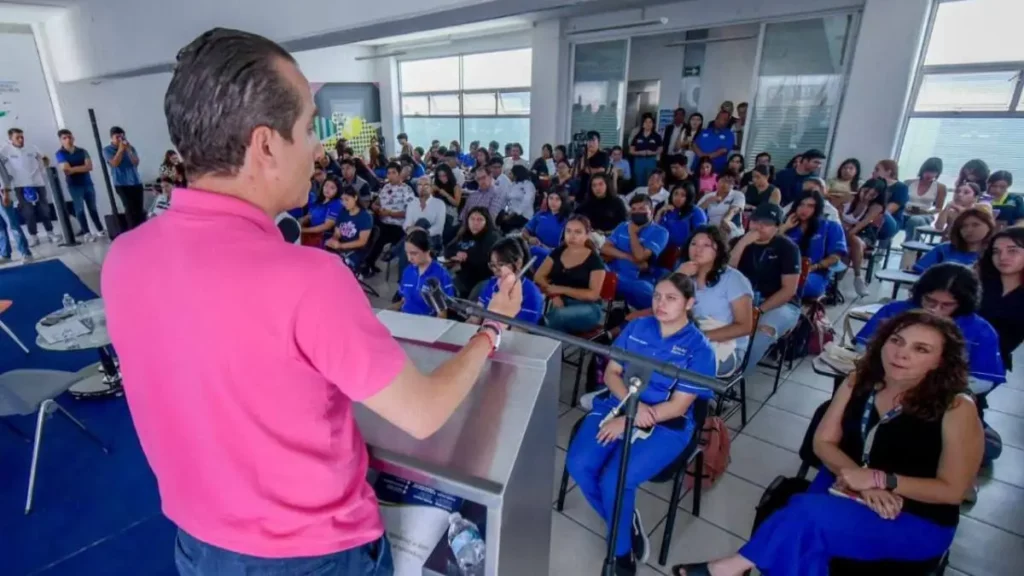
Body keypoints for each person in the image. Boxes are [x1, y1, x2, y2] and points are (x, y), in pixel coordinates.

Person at [101, 28, 524, 575]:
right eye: (308, 128)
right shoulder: (307, 277)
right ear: (266, 144)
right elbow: (422, 413)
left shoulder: (125, 257)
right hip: (309, 555)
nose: (320, 148)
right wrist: (491, 330)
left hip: (199, 545)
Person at [673, 310, 982, 576]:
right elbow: (823, 442)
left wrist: (881, 480)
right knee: (799, 539)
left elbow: (953, 490)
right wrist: (862, 483)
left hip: (913, 513)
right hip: (845, 480)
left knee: (804, 516)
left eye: (921, 349)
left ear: (941, 362)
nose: (901, 354)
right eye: (896, 341)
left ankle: (729, 566)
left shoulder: (956, 407)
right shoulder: (860, 378)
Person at [568, 272, 717, 573]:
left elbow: (678, 406)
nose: (661, 304)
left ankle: (622, 554)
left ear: (689, 303)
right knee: (580, 464)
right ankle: (625, 521)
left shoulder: (700, 349)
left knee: (615, 479)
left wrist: (632, 419)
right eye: (657, 296)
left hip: (666, 422)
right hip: (619, 405)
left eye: (671, 298)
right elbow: (611, 373)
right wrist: (629, 409)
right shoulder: (637, 326)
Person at [856, 263, 1005, 393]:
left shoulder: (981, 331)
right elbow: (862, 346)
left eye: (947, 305)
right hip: (884, 383)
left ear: (964, 303)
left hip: (941, 396)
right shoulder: (894, 311)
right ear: (920, 293)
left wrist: (927, 387)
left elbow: (982, 381)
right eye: (929, 300)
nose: (935, 309)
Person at [729, 203, 801, 377]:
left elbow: (788, 290)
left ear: (777, 227)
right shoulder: (740, 242)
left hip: (780, 304)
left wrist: (759, 310)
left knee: (761, 335)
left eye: (766, 223)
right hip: (743, 300)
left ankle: (733, 380)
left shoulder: (787, 248)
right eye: (755, 221)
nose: (759, 227)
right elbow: (728, 275)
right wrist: (742, 243)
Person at [676, 226, 755, 376]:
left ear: (718, 250)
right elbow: (663, 306)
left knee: (674, 361)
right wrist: (678, 276)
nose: (698, 249)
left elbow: (744, 327)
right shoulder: (684, 273)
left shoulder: (733, 279)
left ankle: (692, 398)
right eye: (694, 244)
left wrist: (698, 338)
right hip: (689, 337)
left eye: (706, 245)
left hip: (725, 346)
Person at [535, 215, 607, 333]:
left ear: (587, 235)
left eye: (578, 232)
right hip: (558, 302)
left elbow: (593, 295)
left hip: (588, 308)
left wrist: (560, 289)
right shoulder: (558, 251)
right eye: (568, 231)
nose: (572, 236)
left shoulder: (595, 260)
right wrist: (555, 295)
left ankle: (534, 340)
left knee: (557, 316)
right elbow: (539, 276)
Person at [601, 194, 670, 310]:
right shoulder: (623, 226)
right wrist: (627, 256)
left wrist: (633, 234)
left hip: (637, 278)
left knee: (645, 291)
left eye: (642, 209)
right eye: (633, 209)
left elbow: (639, 256)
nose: (637, 212)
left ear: (651, 210)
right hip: (612, 271)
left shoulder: (660, 232)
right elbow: (605, 248)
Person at [781, 188, 848, 300]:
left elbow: (835, 257)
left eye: (810, 206)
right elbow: (769, 245)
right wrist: (784, 228)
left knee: (794, 284)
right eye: (801, 205)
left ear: (818, 208)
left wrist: (813, 267)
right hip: (784, 272)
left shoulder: (831, 226)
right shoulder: (789, 226)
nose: (804, 209)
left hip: (815, 274)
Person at [0, 128, 59, 245]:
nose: (21, 139)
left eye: (22, 137)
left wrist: (44, 165)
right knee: (28, 212)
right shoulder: (5, 150)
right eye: (17, 137)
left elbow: (45, 158)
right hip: (19, 185)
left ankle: (50, 233)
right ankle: (33, 236)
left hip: (37, 183)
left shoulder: (32, 147)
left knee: (44, 209)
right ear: (10, 139)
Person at [978, 228, 1024, 373]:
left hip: (991, 363)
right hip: (951, 351)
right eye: (996, 251)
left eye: (1012, 251)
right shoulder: (976, 283)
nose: (1002, 257)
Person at [842, 178, 898, 296]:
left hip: (863, 234)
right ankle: (853, 278)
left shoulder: (876, 207)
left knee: (853, 241)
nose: (867, 196)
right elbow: (836, 216)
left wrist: (847, 234)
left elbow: (860, 226)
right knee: (848, 248)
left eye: (872, 194)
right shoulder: (848, 197)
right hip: (842, 230)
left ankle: (857, 276)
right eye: (865, 191)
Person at [475, 237, 544, 325]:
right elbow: (475, 317)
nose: (496, 270)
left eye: (501, 265)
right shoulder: (492, 283)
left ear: (518, 263)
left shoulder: (531, 295)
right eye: (492, 265)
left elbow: (518, 332)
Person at [55, 129, 105, 241]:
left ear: (73, 137)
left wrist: (73, 168)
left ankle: (100, 230)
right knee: (80, 209)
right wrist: (81, 167)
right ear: (61, 140)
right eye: (64, 138)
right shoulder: (60, 153)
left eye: (69, 137)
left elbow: (89, 167)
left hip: (87, 183)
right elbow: (66, 170)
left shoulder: (82, 151)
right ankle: (86, 233)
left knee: (92, 208)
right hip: (74, 185)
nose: (68, 139)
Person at [898, 158, 948, 269]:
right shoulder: (909, 183)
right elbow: (899, 201)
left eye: (934, 172)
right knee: (892, 217)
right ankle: (880, 252)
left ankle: (909, 252)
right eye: (928, 171)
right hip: (905, 212)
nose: (929, 174)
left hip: (924, 215)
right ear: (922, 170)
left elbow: (939, 208)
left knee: (915, 221)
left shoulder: (940, 187)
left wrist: (925, 211)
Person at [393, 229, 455, 318]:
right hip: (405, 319)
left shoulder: (441, 274)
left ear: (427, 251)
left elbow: (442, 313)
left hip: (426, 322)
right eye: (407, 253)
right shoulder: (408, 271)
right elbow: (404, 300)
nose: (409, 258)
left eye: (414, 253)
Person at [365, 161, 414, 272]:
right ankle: (367, 263)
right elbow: (376, 203)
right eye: (388, 173)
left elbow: (410, 212)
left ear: (399, 173)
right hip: (383, 222)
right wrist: (376, 207)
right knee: (371, 229)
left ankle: (368, 263)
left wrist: (390, 213)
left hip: (398, 226)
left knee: (379, 235)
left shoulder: (406, 190)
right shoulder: (386, 187)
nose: (390, 176)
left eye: (393, 173)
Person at [912, 208, 994, 274]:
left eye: (975, 225)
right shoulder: (944, 249)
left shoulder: (995, 252)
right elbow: (919, 272)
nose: (969, 230)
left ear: (989, 226)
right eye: (964, 226)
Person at [446, 206, 500, 298]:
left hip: (482, 278)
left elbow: (484, 257)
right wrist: (457, 254)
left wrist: (465, 257)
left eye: (480, 220)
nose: (475, 223)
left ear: (486, 222)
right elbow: (448, 249)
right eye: (472, 219)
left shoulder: (492, 236)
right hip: (463, 276)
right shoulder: (464, 234)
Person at [102, 126, 146, 230]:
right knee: (129, 209)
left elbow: (136, 163)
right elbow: (114, 163)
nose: (120, 140)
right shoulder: (107, 150)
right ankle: (132, 232)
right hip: (122, 184)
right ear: (111, 138)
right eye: (117, 137)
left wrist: (129, 150)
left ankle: (142, 231)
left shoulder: (130, 148)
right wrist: (121, 150)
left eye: (122, 137)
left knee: (139, 209)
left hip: (136, 182)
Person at [325, 186, 373, 271]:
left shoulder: (365, 217)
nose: (344, 203)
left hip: (355, 251)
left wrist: (341, 246)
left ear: (355, 198)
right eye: (342, 200)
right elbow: (337, 233)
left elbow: (362, 242)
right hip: (340, 247)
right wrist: (334, 240)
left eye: (347, 200)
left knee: (338, 269)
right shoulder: (343, 212)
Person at [523, 189, 571, 265]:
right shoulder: (540, 214)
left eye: (557, 199)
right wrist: (529, 238)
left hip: (553, 257)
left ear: (563, 201)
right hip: (534, 251)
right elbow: (524, 231)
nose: (553, 202)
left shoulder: (568, 220)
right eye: (551, 198)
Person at [656, 182, 708, 249]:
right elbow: (656, 231)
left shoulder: (696, 211)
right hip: (663, 250)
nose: (678, 198)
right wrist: (659, 212)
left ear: (689, 197)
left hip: (685, 252)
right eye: (676, 194)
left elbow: (701, 235)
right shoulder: (667, 210)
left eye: (683, 195)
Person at [403, 177, 445, 251]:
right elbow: (407, 223)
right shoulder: (412, 203)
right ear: (416, 188)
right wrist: (408, 229)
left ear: (431, 188)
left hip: (433, 238)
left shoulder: (439, 204)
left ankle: (394, 251)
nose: (422, 188)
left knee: (422, 221)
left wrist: (422, 232)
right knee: (414, 243)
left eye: (426, 185)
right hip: (414, 238)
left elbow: (439, 227)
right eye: (419, 185)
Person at [698, 172, 745, 237]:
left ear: (734, 185)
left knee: (728, 226)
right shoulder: (708, 196)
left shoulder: (738, 195)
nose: (725, 184)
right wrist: (708, 201)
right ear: (717, 180)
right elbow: (697, 211)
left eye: (729, 182)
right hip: (712, 230)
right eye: (723, 180)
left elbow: (733, 210)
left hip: (731, 228)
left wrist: (725, 220)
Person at [873, 159, 910, 236]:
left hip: (891, 220)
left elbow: (889, 210)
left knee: (883, 214)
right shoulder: (873, 184)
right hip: (871, 216)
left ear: (888, 172)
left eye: (877, 170)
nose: (873, 172)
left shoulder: (901, 187)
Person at [299, 176, 342, 245]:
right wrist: (299, 222)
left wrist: (303, 230)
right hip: (309, 233)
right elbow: (310, 215)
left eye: (332, 188)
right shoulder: (319, 200)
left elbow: (326, 226)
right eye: (326, 186)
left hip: (323, 238)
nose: (327, 189)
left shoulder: (336, 204)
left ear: (337, 191)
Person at [691, 110, 735, 175]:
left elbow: (723, 150)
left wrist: (706, 158)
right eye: (718, 118)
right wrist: (701, 156)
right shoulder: (705, 131)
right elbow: (694, 144)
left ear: (727, 121)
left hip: (716, 170)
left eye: (723, 119)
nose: (719, 120)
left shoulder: (729, 134)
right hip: (698, 167)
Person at [0, 181, 32, 263]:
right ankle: (5, 255)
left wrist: (6, 194)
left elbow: (4, 177)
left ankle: (26, 253)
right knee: (0, 230)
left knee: (13, 226)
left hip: (2, 196)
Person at [498, 164, 536, 233]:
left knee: (506, 224)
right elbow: (507, 198)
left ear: (516, 174)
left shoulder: (528, 185)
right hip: (511, 212)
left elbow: (526, 202)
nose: (509, 175)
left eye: (511, 173)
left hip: (523, 215)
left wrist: (511, 215)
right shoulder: (513, 184)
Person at [629, 112, 663, 187]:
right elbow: (631, 150)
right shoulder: (637, 136)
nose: (648, 124)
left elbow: (660, 149)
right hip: (639, 161)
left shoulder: (656, 136)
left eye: (650, 122)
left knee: (650, 180)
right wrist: (640, 153)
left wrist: (652, 152)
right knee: (639, 181)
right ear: (643, 124)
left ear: (653, 124)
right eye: (646, 122)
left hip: (651, 160)